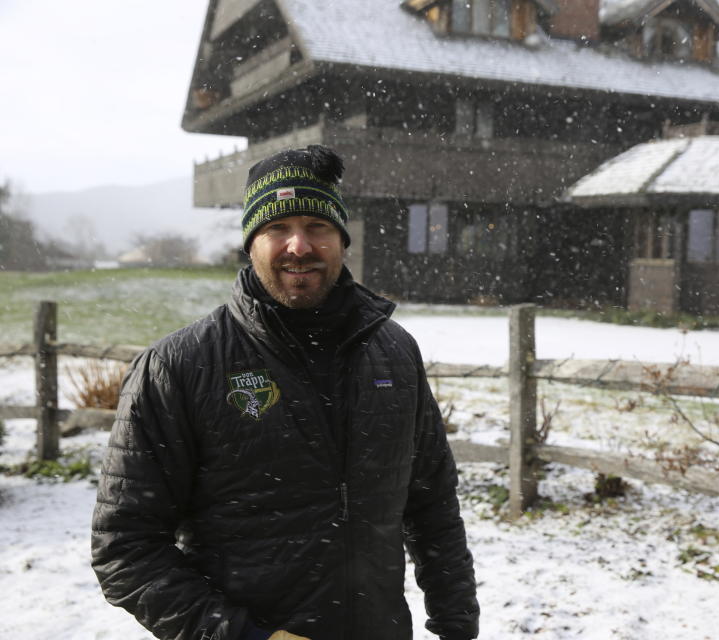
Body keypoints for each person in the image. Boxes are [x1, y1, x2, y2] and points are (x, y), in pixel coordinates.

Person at [91, 145, 479, 640]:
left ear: (342, 239)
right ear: (250, 244)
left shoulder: (394, 352)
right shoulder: (180, 366)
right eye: (278, 228)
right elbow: (125, 546)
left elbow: (433, 507)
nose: (299, 245)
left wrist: (458, 624)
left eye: (318, 227)